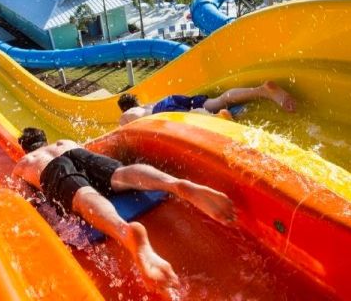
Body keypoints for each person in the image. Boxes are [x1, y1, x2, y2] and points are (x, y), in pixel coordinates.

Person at [12, 128, 235, 299]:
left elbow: (27, 201)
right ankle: (175, 184)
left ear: (25, 148)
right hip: (78, 153)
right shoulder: (64, 142)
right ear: (45, 140)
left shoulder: (24, 163)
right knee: (120, 174)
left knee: (82, 196)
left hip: (51, 168)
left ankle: (125, 231)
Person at [118, 81, 296, 126]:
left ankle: (217, 118)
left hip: (163, 110)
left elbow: (123, 135)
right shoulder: (146, 105)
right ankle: (262, 91)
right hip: (173, 100)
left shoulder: (128, 114)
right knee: (219, 101)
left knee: (190, 119)